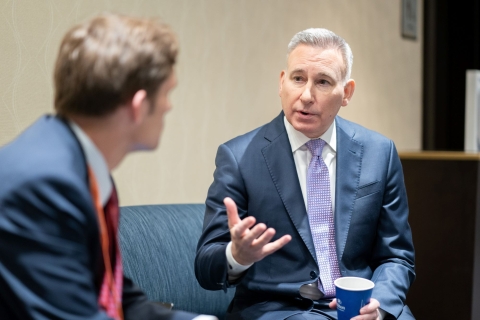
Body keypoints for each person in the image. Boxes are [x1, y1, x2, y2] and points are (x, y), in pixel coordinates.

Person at [0, 14, 215, 320]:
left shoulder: (79, 167)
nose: (168, 105)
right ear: (139, 106)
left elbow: (114, 293)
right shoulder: (43, 182)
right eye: (167, 93)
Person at [195, 28, 415, 320]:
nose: (306, 95)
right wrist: (237, 256)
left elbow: (396, 255)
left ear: (347, 92)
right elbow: (206, 268)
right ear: (282, 82)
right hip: (280, 311)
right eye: (298, 78)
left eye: (323, 82)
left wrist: (380, 305)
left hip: (363, 307)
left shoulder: (379, 153)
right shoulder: (238, 158)